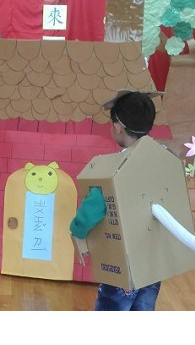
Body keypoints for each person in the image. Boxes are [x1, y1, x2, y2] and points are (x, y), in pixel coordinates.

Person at [70, 90, 161, 310]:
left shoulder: (115, 168)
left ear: (118, 127)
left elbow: (90, 211)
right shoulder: (161, 159)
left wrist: (77, 231)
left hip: (123, 264)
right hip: (153, 263)